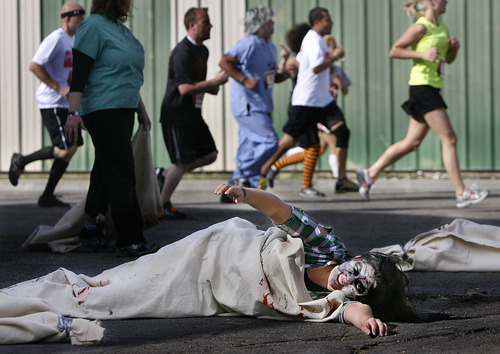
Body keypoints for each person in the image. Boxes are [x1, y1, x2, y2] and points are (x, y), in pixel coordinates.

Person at [0, 183, 416, 345]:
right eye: (359, 271)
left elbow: (351, 310)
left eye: (361, 286)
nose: (351, 280)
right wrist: (244, 193)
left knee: (138, 295)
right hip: (218, 250)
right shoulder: (327, 244)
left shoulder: (332, 297)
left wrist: (366, 321)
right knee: (115, 285)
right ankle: (45, 297)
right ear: (358, 258)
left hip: (218, 291)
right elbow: (283, 212)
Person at [355, 0, 489, 209]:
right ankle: (461, 192)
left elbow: (448, 60)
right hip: (422, 88)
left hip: (431, 87)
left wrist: (453, 49)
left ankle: (369, 174)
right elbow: (395, 50)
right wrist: (421, 54)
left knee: (412, 142)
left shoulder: (441, 28)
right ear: (432, 2)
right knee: (449, 138)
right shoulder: (420, 27)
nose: (447, 2)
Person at [64, 0, 159, 257]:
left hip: (123, 108)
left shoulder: (119, 29)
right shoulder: (92, 27)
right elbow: (79, 74)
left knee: (106, 171)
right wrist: (73, 113)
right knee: (121, 171)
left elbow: (126, 73)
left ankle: (90, 232)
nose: (130, 4)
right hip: (102, 109)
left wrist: (141, 109)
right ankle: (129, 239)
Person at [258, 8, 357, 198]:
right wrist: (335, 55)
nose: (331, 23)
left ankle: (341, 180)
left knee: (341, 132)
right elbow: (316, 68)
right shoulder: (313, 40)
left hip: (323, 101)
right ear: (318, 21)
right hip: (306, 101)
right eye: (328, 20)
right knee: (291, 141)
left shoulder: (316, 40)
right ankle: (264, 170)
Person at [8, 2, 85, 208]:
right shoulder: (55, 39)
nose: (83, 21)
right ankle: (22, 162)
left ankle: (46, 194)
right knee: (66, 147)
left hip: (66, 102)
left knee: (71, 147)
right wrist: (58, 88)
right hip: (51, 101)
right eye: (80, 18)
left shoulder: (73, 40)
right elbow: (34, 66)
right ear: (68, 18)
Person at [156, 7, 228, 218]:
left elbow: (200, 85)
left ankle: (164, 174)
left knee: (210, 154)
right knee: (182, 162)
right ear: (192, 25)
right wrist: (213, 82)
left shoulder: (202, 51)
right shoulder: (183, 51)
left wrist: (215, 84)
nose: (211, 26)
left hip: (193, 114)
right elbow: (184, 88)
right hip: (176, 113)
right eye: (206, 22)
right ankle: (162, 206)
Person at [218, 5, 289, 202]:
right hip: (248, 105)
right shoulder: (249, 43)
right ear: (260, 25)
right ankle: (240, 176)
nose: (273, 23)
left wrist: (287, 72)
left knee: (247, 148)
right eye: (269, 20)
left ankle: (234, 188)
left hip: (262, 105)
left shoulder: (270, 46)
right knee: (270, 142)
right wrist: (244, 80)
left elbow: (272, 76)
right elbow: (224, 62)